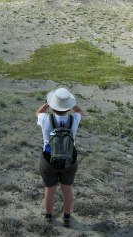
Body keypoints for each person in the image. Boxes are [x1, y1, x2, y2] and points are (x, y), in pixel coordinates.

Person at [35, 87, 82, 227]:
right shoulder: (74, 118)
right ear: (68, 106)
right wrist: (72, 104)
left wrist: (47, 104)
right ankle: (67, 217)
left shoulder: (45, 118)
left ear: (53, 105)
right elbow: (79, 111)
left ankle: (49, 216)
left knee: (50, 189)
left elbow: (37, 112)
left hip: (48, 159)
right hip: (69, 160)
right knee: (67, 189)